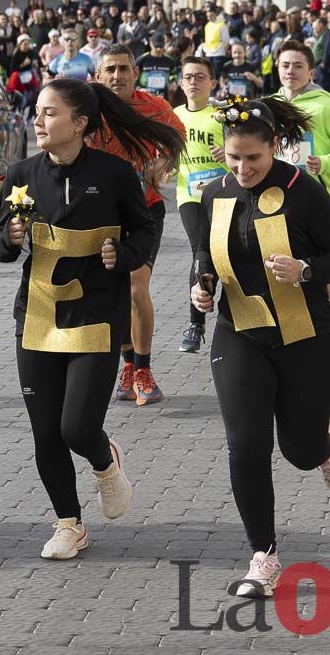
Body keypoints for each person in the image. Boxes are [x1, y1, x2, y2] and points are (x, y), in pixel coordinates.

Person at [0, 77, 182, 559]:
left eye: (50, 113)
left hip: (97, 315)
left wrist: (126, 252)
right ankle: (69, 524)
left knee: (76, 428)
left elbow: (144, 229)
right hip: (36, 317)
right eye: (37, 112)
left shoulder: (116, 174)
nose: (38, 121)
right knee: (45, 432)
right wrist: (10, 238)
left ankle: (104, 461)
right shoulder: (21, 174)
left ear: (79, 124)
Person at [190, 94, 330, 596]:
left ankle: (324, 448)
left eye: (254, 158)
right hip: (239, 334)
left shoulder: (301, 190)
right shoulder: (212, 194)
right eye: (234, 157)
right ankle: (262, 556)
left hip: (306, 337)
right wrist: (201, 286)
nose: (242, 168)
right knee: (245, 445)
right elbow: (207, 251)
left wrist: (306, 270)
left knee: (298, 450)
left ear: (274, 148)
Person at [90, 45, 187, 406]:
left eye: (124, 69)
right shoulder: (87, 106)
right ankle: (128, 365)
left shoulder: (155, 107)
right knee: (111, 296)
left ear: (136, 73)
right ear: (98, 76)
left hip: (144, 211)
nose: (117, 76)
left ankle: (144, 370)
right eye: (110, 70)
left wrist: (164, 162)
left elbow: (177, 139)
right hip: (99, 214)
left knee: (134, 289)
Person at [172, 56, 227, 354]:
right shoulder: (174, 115)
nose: (193, 82)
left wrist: (228, 154)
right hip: (190, 196)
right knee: (201, 251)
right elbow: (166, 153)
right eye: (188, 77)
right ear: (181, 83)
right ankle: (196, 324)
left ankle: (229, 318)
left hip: (222, 194)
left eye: (200, 77)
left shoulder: (223, 115)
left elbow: (243, 150)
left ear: (212, 83)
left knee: (221, 254)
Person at [274, 40, 330, 204]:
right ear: (278, 70)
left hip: (315, 197)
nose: (290, 71)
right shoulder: (270, 105)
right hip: (276, 196)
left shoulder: (325, 106)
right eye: (285, 65)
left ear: (311, 73)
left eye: (298, 66)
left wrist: (324, 162)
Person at [136, 33, 178, 99]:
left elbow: (173, 74)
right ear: (150, 44)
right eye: (156, 46)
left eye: (161, 46)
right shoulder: (142, 59)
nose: (158, 49)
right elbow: (133, 77)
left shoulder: (170, 60)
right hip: (144, 96)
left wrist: (173, 81)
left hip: (163, 97)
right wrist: (138, 88)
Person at [201, 5, 229, 77]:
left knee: (216, 75)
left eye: (210, 14)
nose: (208, 16)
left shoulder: (222, 25)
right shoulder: (207, 25)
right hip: (209, 53)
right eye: (207, 15)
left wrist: (222, 50)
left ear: (215, 14)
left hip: (218, 53)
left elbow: (226, 40)